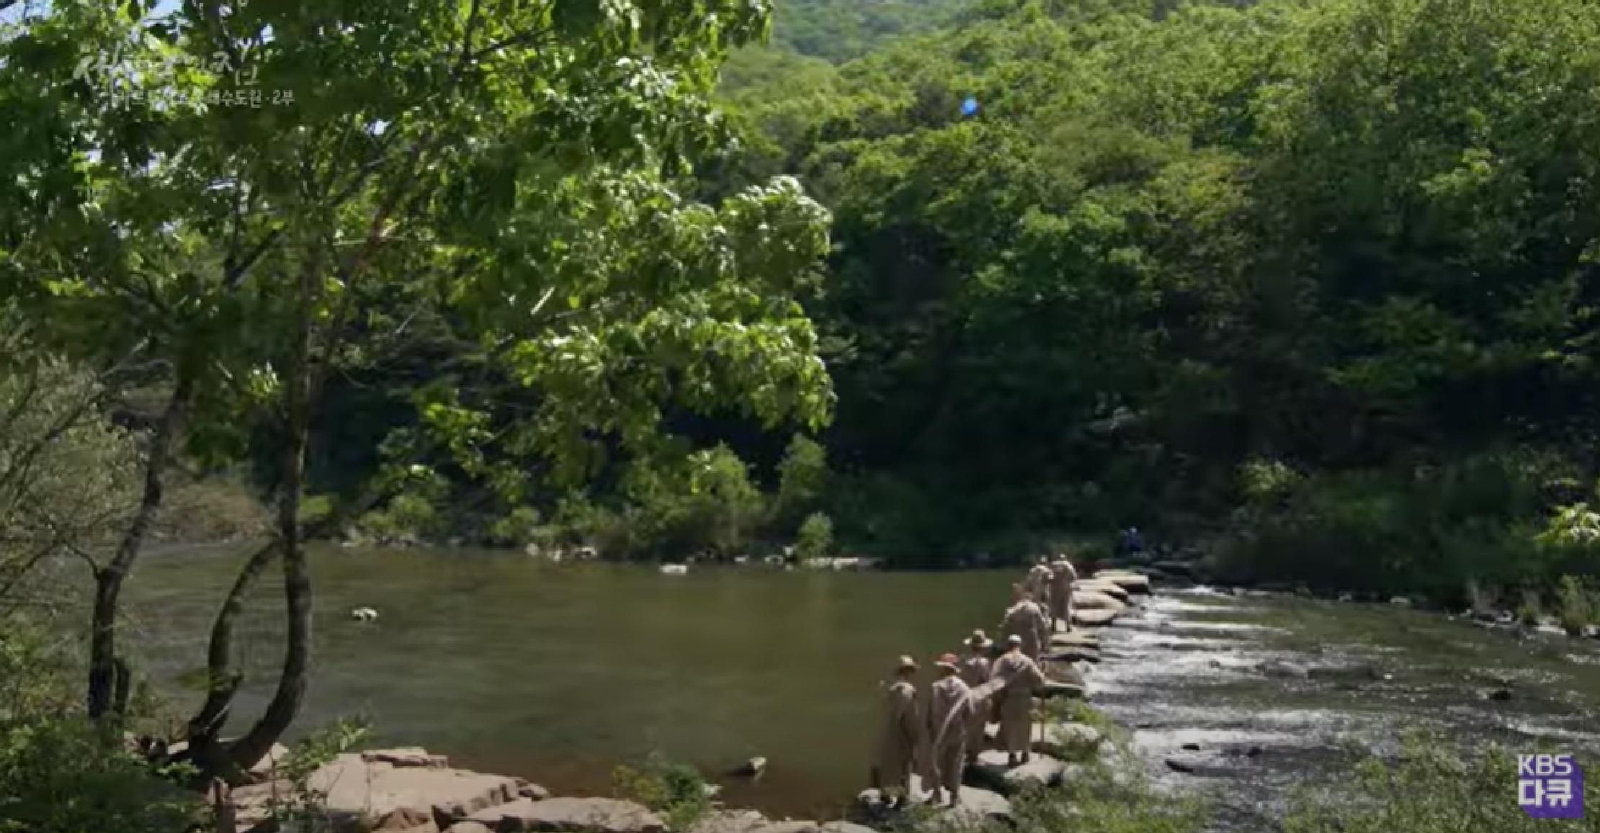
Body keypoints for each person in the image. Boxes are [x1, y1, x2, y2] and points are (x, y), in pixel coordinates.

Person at [871, 655, 924, 809]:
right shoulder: (908, 690)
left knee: (887, 763)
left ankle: (885, 794)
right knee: (904, 765)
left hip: (886, 732)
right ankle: (902, 797)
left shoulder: (889, 688)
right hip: (901, 733)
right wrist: (914, 736)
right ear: (909, 672)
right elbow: (910, 717)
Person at [989, 634, 1047, 766]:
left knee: (1009, 725)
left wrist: (996, 700)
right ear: (1020, 646)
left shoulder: (1001, 661)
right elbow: (1039, 681)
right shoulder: (1027, 661)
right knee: (1025, 725)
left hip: (1009, 697)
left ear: (1008, 645)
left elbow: (994, 681)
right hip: (1025, 698)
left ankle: (1012, 755)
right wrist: (1043, 674)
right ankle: (1025, 753)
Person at [924, 653, 973, 808]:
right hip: (957, 731)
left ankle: (936, 794)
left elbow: (929, 711)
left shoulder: (935, 687)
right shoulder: (964, 688)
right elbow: (970, 712)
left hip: (938, 731)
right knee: (956, 763)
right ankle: (953, 797)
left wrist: (929, 728)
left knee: (936, 762)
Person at [959, 630, 993, 764]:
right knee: (978, 727)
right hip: (978, 697)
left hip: (963, 696)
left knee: (964, 726)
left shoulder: (963, 659)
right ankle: (973, 755)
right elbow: (986, 681)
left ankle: (961, 753)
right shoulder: (983, 663)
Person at [999, 584, 1049, 660]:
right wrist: (1045, 644)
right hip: (1031, 640)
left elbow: (1005, 628)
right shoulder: (1034, 607)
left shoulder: (1012, 610)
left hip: (1017, 641)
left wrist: (1003, 645)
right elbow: (1042, 627)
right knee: (1033, 663)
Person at [1049, 555, 1077, 633]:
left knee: (1054, 606)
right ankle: (1068, 627)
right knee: (1066, 606)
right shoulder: (1068, 565)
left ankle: (1053, 626)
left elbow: (1049, 577)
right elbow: (1074, 577)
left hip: (1055, 589)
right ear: (1065, 558)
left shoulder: (1054, 565)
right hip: (1066, 589)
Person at [1024, 558, 1053, 623]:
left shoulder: (1033, 570)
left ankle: (1036, 620)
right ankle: (1045, 620)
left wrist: (1028, 590)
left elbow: (1028, 581)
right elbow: (1050, 579)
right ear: (1046, 563)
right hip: (1044, 590)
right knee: (1045, 606)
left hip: (1035, 590)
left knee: (1036, 605)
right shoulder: (1047, 570)